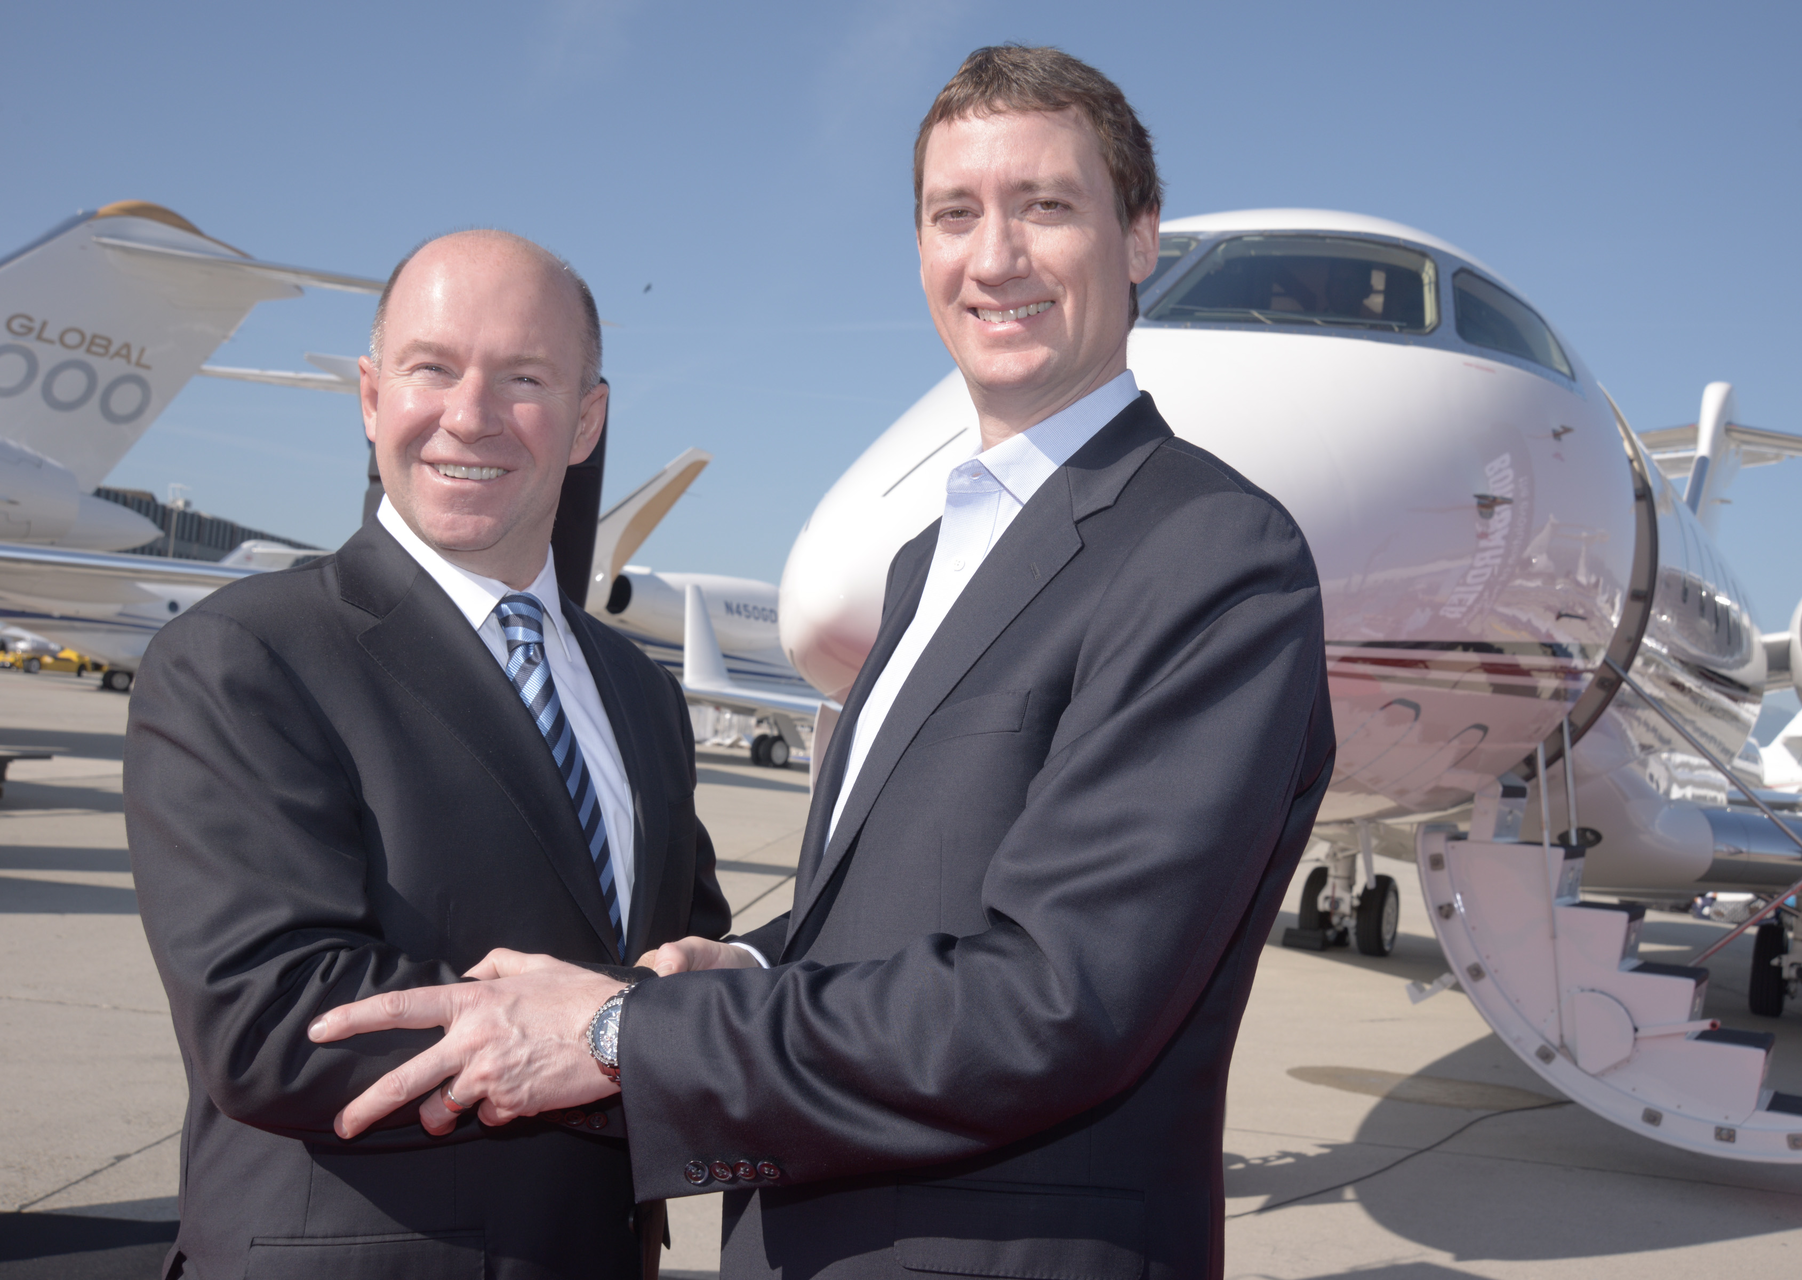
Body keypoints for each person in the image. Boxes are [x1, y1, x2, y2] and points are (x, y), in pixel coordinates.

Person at [313, 45, 1335, 1278]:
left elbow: (1059, 1001)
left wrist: (622, 1031)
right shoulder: (932, 556)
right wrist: (747, 959)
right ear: (919, 252)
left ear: (1138, 240)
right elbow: (915, 902)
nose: (994, 255)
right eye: (954, 214)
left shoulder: (1211, 550)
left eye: (1046, 207)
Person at [125, 229, 730, 1280]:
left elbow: (690, 949)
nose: (470, 414)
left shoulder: (644, 696)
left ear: (587, 419)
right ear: (369, 396)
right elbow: (274, 1021)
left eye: (524, 377)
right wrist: (620, 1037)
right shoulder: (243, 656)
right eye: (432, 367)